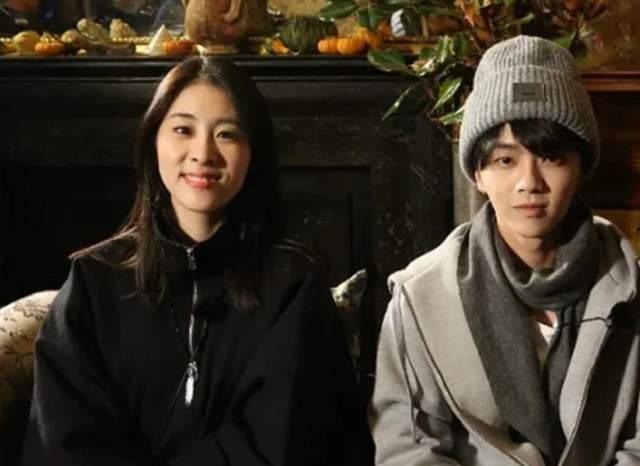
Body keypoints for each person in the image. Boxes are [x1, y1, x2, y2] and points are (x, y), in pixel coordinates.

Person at [22, 57, 372, 466]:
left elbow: (283, 441)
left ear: (253, 153)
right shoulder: (93, 280)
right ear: (153, 141)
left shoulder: (293, 284)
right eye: (183, 130)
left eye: (226, 134)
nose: (203, 153)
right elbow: (65, 439)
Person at [369, 35, 640, 466]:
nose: (529, 182)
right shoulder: (420, 296)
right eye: (505, 160)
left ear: (581, 166)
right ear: (477, 173)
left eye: (550, 157)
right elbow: (409, 448)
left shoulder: (630, 286)